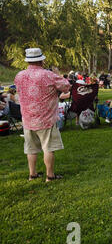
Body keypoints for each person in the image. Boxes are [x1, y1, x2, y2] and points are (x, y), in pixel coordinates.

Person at [14, 48, 71, 182]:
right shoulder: (48, 75)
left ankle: (32, 174)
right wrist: (57, 73)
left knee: (31, 149)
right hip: (46, 118)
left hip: (28, 118)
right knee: (48, 148)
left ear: (28, 60)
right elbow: (66, 87)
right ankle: (50, 176)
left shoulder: (19, 75)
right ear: (42, 60)